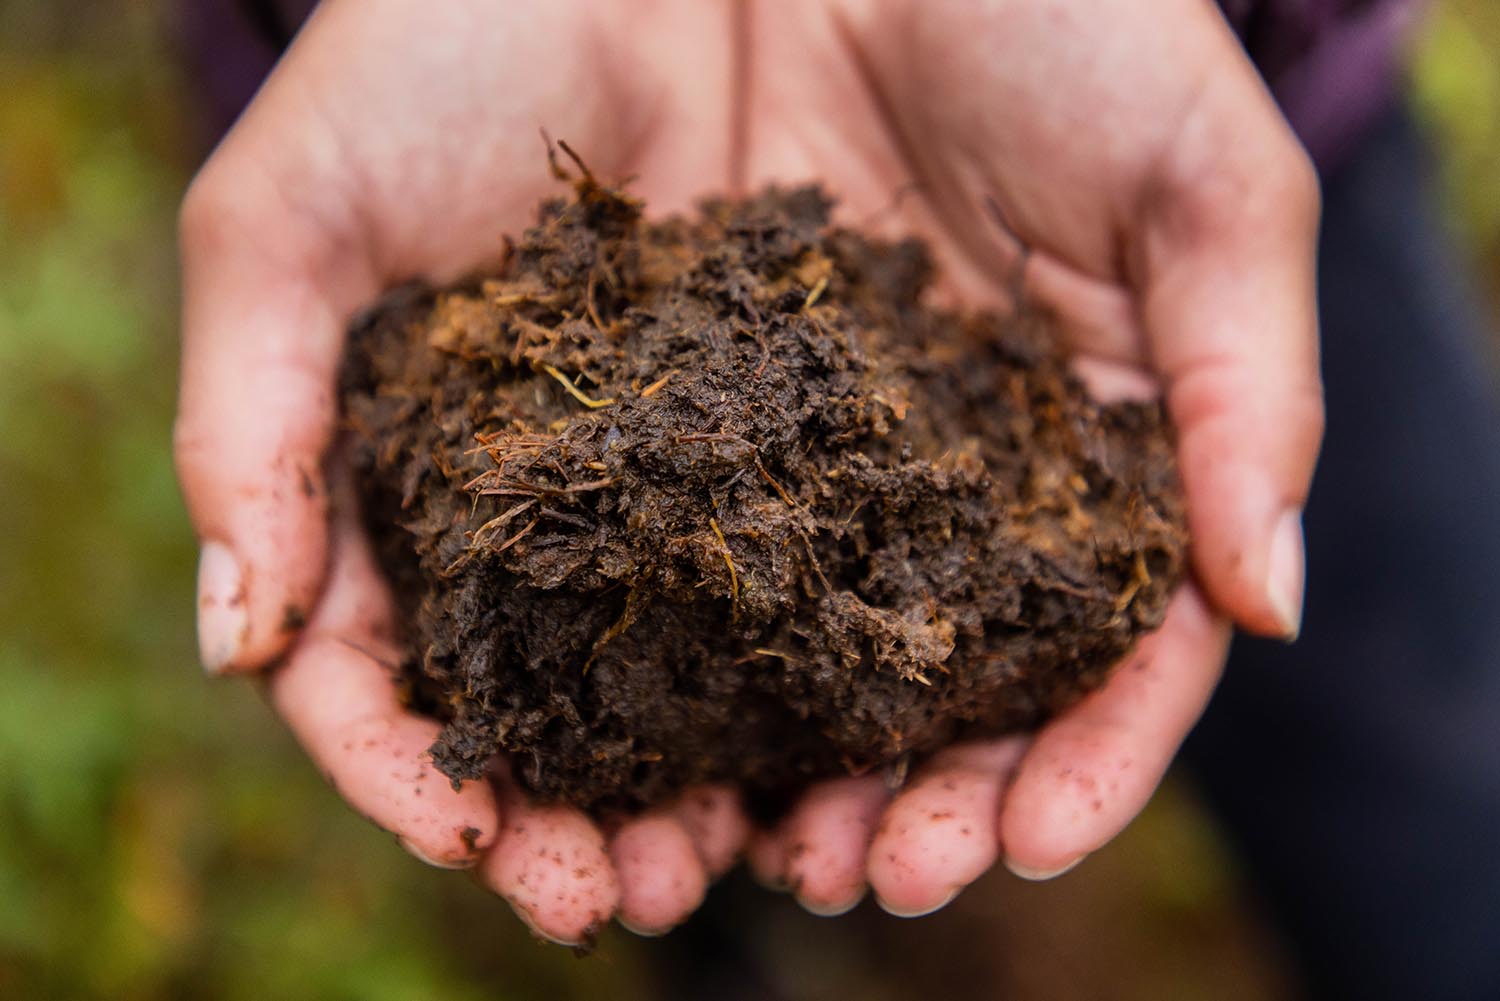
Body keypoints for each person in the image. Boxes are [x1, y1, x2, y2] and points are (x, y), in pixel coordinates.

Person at [173, 1, 1500, 996]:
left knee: (1422, 785)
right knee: (621, 811)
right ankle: (731, 939)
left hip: (1194, 105)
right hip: (410, 130)